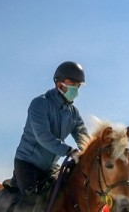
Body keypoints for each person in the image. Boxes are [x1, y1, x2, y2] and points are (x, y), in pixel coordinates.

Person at [10, 61, 89, 195]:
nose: (75, 90)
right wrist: (69, 151)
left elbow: (84, 138)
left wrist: (93, 152)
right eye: (72, 85)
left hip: (50, 167)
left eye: (78, 86)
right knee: (31, 203)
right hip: (28, 165)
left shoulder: (73, 113)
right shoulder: (40, 104)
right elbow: (43, 137)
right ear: (59, 84)